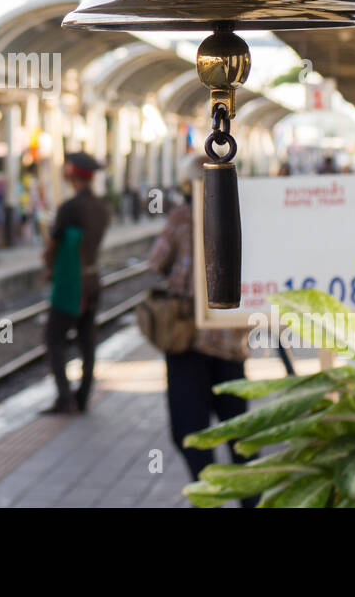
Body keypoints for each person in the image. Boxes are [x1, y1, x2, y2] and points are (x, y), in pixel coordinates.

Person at [148, 154, 255, 500]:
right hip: (231, 342)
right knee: (239, 430)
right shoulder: (244, 214)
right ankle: (248, 495)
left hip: (189, 342)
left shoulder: (181, 216)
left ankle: (207, 491)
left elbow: (156, 261)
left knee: (190, 429)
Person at [42, 152, 111, 415]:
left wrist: (48, 267)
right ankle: (82, 397)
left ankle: (64, 397)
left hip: (72, 282)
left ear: (71, 173)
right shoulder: (102, 208)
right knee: (87, 340)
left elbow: (54, 245)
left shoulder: (69, 208)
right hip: (93, 278)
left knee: (53, 338)